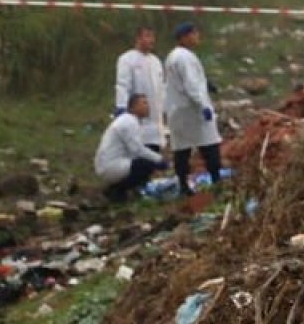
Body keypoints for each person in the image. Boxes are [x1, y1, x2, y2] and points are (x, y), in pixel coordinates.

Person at [164, 22, 222, 196]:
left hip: (177, 109)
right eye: (194, 34)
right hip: (192, 110)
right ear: (184, 37)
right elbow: (191, 85)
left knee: (182, 148)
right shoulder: (184, 57)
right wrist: (203, 105)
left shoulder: (174, 56)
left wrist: (206, 84)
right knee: (209, 144)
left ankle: (183, 184)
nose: (197, 37)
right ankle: (216, 180)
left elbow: (187, 80)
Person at [94, 93, 168, 203]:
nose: (147, 107)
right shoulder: (129, 122)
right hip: (111, 166)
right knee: (145, 166)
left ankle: (118, 189)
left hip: (109, 164)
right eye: (144, 103)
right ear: (134, 107)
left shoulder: (128, 120)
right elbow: (137, 150)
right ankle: (117, 191)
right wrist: (159, 160)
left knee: (144, 162)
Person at [114, 26, 166, 152]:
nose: (151, 40)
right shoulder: (127, 59)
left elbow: (161, 88)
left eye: (153, 36)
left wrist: (165, 109)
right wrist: (121, 106)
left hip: (154, 119)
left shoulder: (156, 62)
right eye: (147, 36)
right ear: (138, 38)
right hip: (136, 117)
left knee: (153, 153)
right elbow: (123, 85)